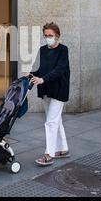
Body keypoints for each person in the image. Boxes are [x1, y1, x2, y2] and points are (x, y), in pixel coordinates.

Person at [30, 22, 70, 166]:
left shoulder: (63, 50)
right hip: (46, 89)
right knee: (55, 120)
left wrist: (43, 79)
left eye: (50, 36)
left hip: (59, 89)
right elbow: (37, 68)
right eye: (46, 35)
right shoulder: (42, 50)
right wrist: (29, 76)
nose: (48, 38)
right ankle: (64, 149)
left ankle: (49, 154)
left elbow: (60, 69)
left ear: (57, 36)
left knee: (51, 122)